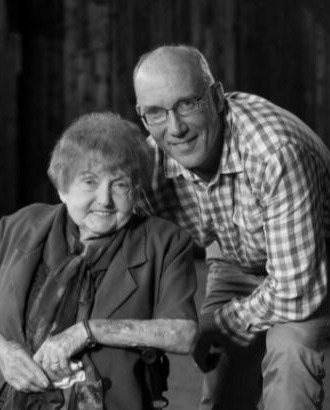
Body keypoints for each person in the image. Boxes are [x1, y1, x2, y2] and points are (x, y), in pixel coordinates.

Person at [133, 44, 330, 410]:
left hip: (312, 268)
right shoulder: (148, 168)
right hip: (236, 256)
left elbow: (295, 290)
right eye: (156, 113)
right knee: (222, 394)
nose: (175, 128)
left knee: (288, 366)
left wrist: (212, 324)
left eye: (187, 103)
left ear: (217, 97)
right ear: (142, 116)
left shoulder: (275, 152)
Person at [0, 112, 198, 410]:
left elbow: (183, 334)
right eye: (90, 181)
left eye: (120, 184)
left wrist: (87, 332)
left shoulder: (166, 242)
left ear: (136, 191)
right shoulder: (18, 226)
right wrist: (3, 354)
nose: (105, 199)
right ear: (62, 187)